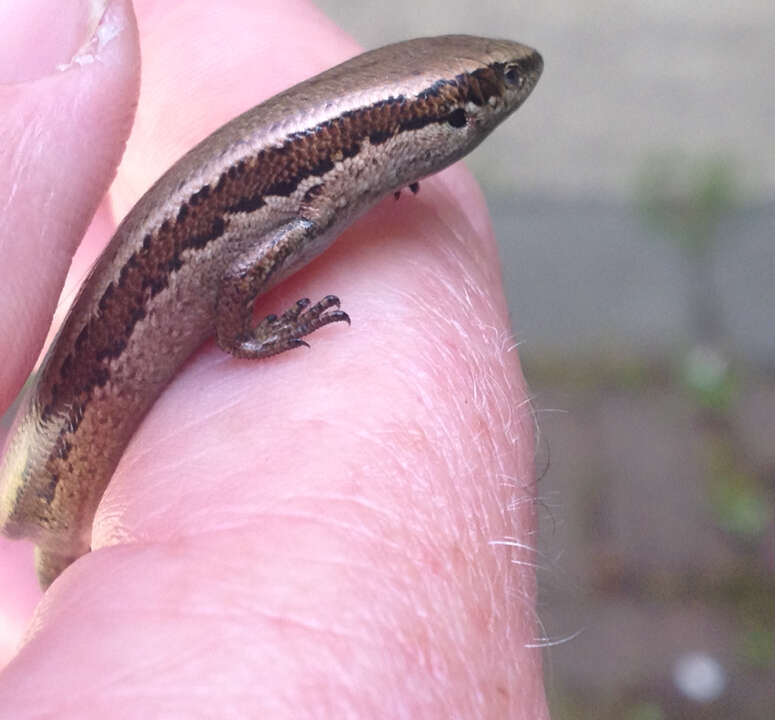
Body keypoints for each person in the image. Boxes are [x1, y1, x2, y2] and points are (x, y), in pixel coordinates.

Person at [0, 1, 546, 716]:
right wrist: (248, 340)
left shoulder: (346, 174)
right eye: (486, 89)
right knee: (57, 570)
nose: (507, 90)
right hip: (49, 474)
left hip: (56, 477)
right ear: (424, 122)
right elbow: (234, 278)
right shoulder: (312, 190)